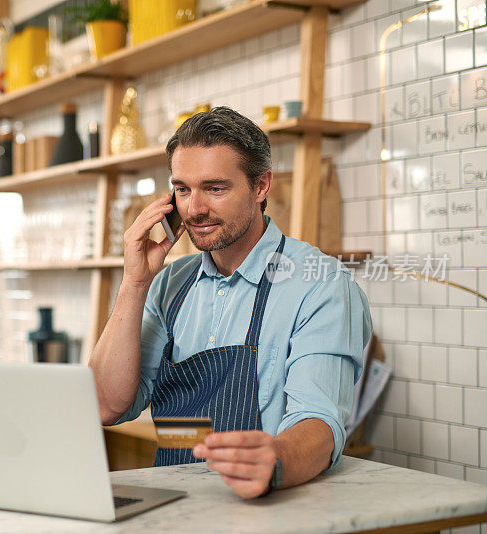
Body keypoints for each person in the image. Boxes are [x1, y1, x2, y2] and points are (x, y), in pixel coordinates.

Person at [89, 107, 372, 499]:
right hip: (177, 509)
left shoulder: (320, 285)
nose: (194, 209)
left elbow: (320, 425)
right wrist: (133, 284)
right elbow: (105, 405)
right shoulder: (170, 283)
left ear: (261, 186)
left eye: (215, 188)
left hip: (268, 509)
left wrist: (272, 460)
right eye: (183, 189)